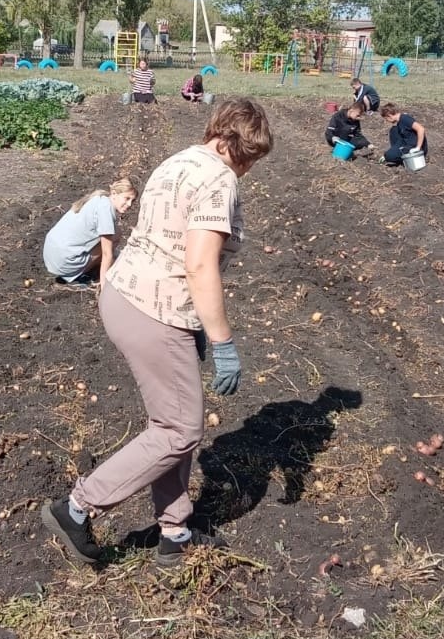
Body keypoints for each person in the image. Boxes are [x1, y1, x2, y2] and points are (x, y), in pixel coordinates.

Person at [41, 98, 273, 569]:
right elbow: (200, 263)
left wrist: (196, 324)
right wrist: (223, 340)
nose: (248, 168)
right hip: (155, 311)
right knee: (180, 430)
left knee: (170, 420)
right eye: (249, 156)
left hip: (126, 295)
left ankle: (175, 531)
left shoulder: (177, 159)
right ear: (232, 143)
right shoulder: (219, 178)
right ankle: (78, 508)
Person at [42, 178, 137, 291]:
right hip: (64, 264)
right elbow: (107, 254)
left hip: (51, 255)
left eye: (133, 200)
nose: (129, 204)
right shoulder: (106, 211)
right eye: (127, 198)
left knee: (114, 234)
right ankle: (81, 276)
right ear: (114, 193)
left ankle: (83, 268)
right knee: (115, 237)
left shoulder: (98, 199)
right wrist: (104, 288)